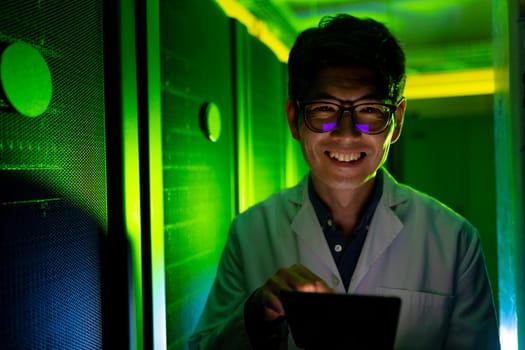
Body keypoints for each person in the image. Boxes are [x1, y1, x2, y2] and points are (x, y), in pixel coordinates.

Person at [188, 14, 500, 350]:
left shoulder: (455, 241)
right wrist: (252, 319)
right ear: (294, 119)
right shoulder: (249, 233)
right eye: (324, 108)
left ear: (396, 122)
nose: (347, 133)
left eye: (369, 110)